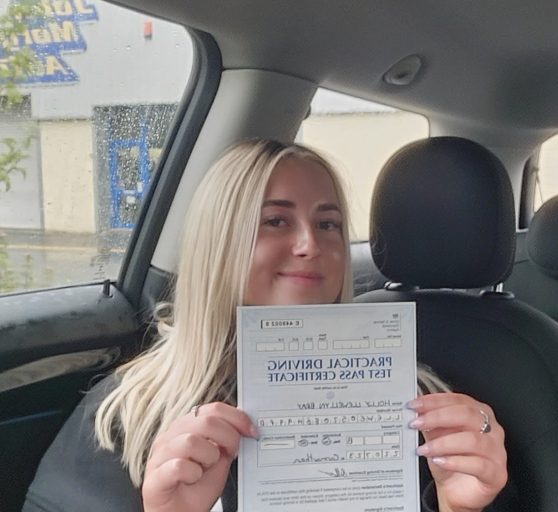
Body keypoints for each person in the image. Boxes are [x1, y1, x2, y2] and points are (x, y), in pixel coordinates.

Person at [23, 139, 507, 512]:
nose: (309, 245)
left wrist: (460, 508)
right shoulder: (130, 412)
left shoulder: (421, 406)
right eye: (275, 221)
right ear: (220, 241)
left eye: (328, 224)